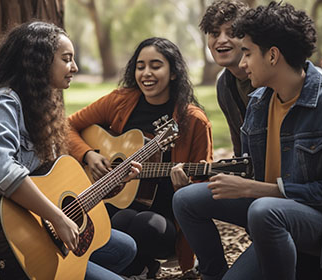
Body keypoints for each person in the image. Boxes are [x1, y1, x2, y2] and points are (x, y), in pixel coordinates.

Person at [173, 2, 322, 280]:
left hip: (314, 225)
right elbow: (248, 168)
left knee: (263, 209)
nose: (242, 63)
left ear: (272, 56)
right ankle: (213, 273)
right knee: (186, 198)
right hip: (268, 213)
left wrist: (255, 189)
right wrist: (218, 177)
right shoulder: (258, 103)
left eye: (247, 53)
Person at [0, 21, 141, 280]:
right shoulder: (3, 102)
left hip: (42, 222)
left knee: (125, 249)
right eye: (67, 59)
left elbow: (54, 181)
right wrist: (57, 217)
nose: (75, 68)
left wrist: (112, 180)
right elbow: (2, 172)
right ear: (39, 61)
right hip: (10, 229)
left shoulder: (44, 104)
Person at [67, 37, 213, 278]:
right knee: (111, 218)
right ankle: (132, 269)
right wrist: (89, 155)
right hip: (112, 204)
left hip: (165, 222)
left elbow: (204, 187)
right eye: (140, 66)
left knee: (141, 224)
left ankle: (141, 267)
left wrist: (186, 189)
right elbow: (68, 126)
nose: (147, 73)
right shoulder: (120, 101)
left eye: (156, 65)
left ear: (174, 73)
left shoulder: (193, 121)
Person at [199, 0, 253, 157]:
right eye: (214, 34)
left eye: (232, 33)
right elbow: (239, 148)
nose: (221, 40)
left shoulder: (269, 78)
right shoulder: (223, 84)